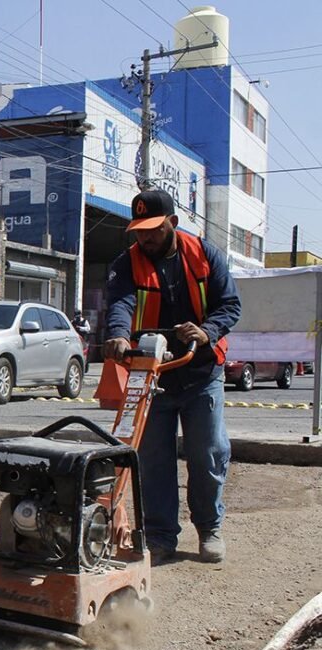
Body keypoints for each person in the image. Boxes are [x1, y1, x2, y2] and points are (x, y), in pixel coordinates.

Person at [102, 189, 241, 565]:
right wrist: (117, 333)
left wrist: (207, 330)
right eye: (139, 231)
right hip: (151, 374)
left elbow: (231, 305)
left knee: (208, 451)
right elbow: (120, 303)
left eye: (153, 230)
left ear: (172, 223)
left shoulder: (205, 255)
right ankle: (161, 536)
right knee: (152, 459)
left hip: (200, 372)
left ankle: (209, 528)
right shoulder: (126, 263)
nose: (144, 238)